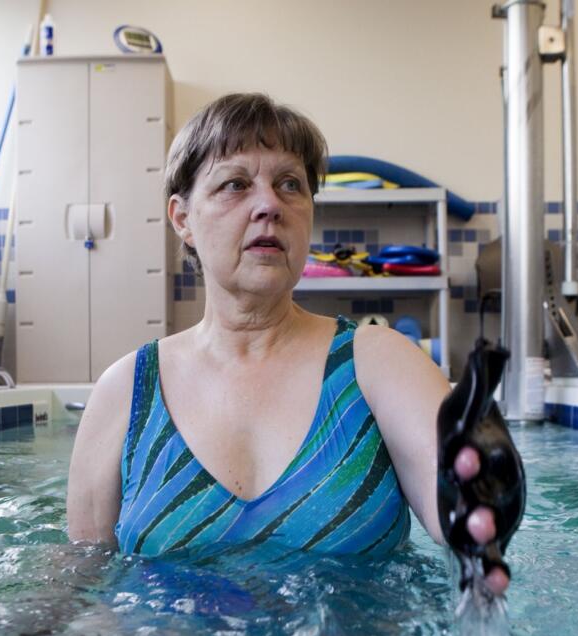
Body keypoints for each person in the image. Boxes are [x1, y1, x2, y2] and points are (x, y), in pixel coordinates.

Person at [66, 93, 509, 596]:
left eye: (290, 185)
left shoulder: (378, 364)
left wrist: (480, 497)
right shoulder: (125, 392)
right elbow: (81, 581)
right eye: (235, 184)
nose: (269, 206)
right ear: (182, 219)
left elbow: (452, 489)